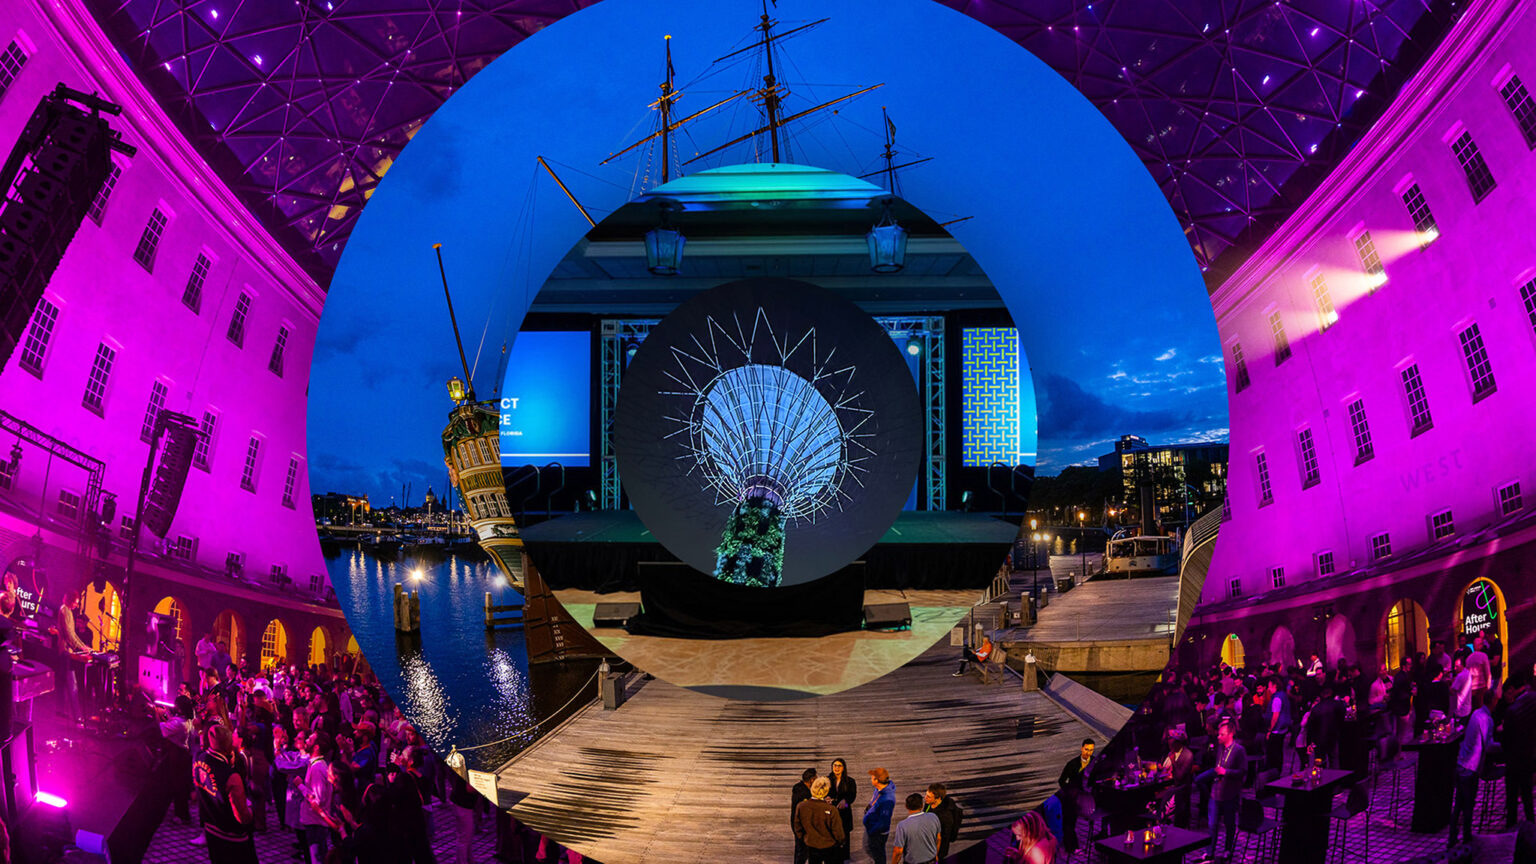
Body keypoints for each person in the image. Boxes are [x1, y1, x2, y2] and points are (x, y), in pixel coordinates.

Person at [194, 724, 258, 863]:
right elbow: (242, 817)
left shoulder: (198, 758)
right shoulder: (231, 776)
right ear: (228, 747)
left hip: (210, 829)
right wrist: (251, 811)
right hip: (231, 836)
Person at [1195, 720, 1246, 863]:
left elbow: (1242, 772)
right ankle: (1209, 853)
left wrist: (1226, 772)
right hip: (1215, 793)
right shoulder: (1220, 747)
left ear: (1230, 734)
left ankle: (1227, 850)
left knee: (1229, 824)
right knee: (1212, 825)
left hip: (1230, 794)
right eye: (1218, 734)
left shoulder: (1239, 750)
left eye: (1221, 735)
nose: (1218, 737)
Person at [1450, 689, 1496, 847]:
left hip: (1461, 764)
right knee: (1468, 806)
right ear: (1494, 702)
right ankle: (1467, 839)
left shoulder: (1476, 714)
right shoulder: (1487, 719)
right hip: (1471, 767)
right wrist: (1505, 745)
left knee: (1459, 805)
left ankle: (1452, 839)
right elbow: (1488, 746)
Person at [1500, 670, 1536, 828]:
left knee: (1512, 797)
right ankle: (1531, 827)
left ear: (1512, 689)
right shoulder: (1534, 698)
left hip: (1514, 760)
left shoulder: (1512, 710)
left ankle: (1511, 830)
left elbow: (1505, 741)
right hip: (1530, 756)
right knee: (1528, 796)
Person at [793, 777, 847, 864]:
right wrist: (841, 841)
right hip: (830, 846)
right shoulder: (831, 809)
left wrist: (804, 838)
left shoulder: (801, 806)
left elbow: (797, 826)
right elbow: (838, 831)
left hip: (811, 844)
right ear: (826, 791)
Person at [1056, 739, 1094, 852]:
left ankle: (1071, 845)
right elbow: (1062, 780)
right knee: (1069, 821)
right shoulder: (1072, 764)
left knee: (1071, 821)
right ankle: (1071, 847)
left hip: (1079, 796)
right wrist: (1069, 791)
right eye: (1087, 749)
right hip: (1070, 796)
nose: (1088, 752)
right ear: (1082, 748)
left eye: (1091, 750)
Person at [890, 793, 941, 864]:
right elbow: (938, 838)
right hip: (932, 860)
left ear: (906, 806)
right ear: (922, 805)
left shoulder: (902, 825)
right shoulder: (933, 817)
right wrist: (935, 854)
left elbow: (898, 851)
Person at [862, 767, 895, 864]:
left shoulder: (887, 800)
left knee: (878, 854)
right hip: (872, 826)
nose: (870, 779)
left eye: (872, 777)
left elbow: (884, 822)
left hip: (877, 832)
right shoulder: (878, 789)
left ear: (877, 780)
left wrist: (871, 831)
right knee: (869, 849)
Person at [923, 783, 961, 863]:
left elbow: (944, 836)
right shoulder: (929, 804)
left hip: (936, 850)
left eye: (929, 797)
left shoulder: (945, 816)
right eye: (926, 795)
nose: (925, 798)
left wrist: (936, 853)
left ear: (938, 798)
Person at [828, 759, 856, 864]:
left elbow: (852, 796)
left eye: (839, 766)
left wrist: (846, 801)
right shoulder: (827, 780)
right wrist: (826, 798)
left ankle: (843, 858)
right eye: (835, 765)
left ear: (843, 768)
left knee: (844, 837)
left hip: (844, 813)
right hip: (830, 813)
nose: (837, 768)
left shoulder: (850, 781)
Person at [792, 768, 818, 864]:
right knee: (802, 851)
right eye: (816, 778)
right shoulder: (803, 793)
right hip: (802, 826)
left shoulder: (798, 788)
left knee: (800, 850)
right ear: (811, 780)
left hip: (798, 825)